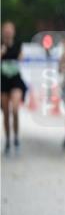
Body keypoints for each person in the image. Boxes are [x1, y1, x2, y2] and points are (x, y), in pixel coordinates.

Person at [1, 21, 27, 154]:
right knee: (5, 113)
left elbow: (22, 59)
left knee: (15, 110)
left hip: (15, 79)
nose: (8, 32)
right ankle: (8, 140)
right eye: (6, 30)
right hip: (3, 81)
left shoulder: (18, 44)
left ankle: (16, 136)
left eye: (10, 30)